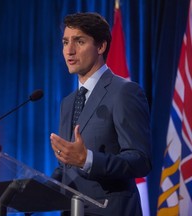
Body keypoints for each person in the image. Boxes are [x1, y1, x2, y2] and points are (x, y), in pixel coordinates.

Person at [50, 12, 152, 216]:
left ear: (101, 46)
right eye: (65, 42)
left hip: (111, 210)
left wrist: (87, 159)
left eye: (79, 41)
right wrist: (36, 188)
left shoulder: (124, 91)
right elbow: (67, 167)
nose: (69, 50)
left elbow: (141, 160)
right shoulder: (68, 103)